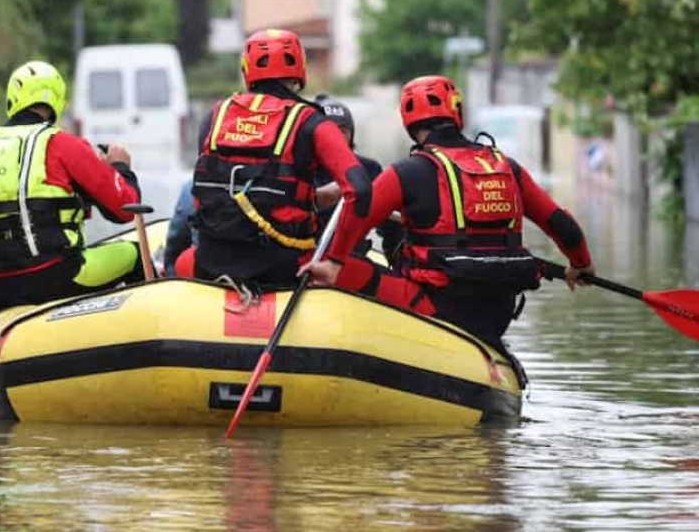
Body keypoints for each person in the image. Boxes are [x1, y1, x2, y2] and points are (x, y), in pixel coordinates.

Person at [302, 74, 595, 349]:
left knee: (323, 266)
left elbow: (356, 219)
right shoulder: (507, 167)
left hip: (438, 308)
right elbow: (562, 225)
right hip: (500, 311)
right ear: (457, 113)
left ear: (408, 121)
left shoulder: (405, 173)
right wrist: (581, 263)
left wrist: (332, 263)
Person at [175, 29, 372, 287]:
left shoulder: (215, 116)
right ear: (300, 70)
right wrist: (335, 261)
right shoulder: (312, 123)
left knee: (182, 260)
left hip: (209, 264)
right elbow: (360, 189)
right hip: (285, 271)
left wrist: (314, 198)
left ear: (247, 70)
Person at [0, 61, 146, 309]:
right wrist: (120, 167)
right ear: (58, 100)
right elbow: (124, 209)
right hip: (55, 277)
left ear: (12, 100)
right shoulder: (61, 143)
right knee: (135, 255)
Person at [312, 93, 400, 259]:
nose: (336, 137)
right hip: (306, 254)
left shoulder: (368, 169)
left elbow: (392, 226)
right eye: (329, 130)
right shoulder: (297, 168)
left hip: (352, 257)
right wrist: (320, 197)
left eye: (342, 130)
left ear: (351, 134)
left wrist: (397, 258)